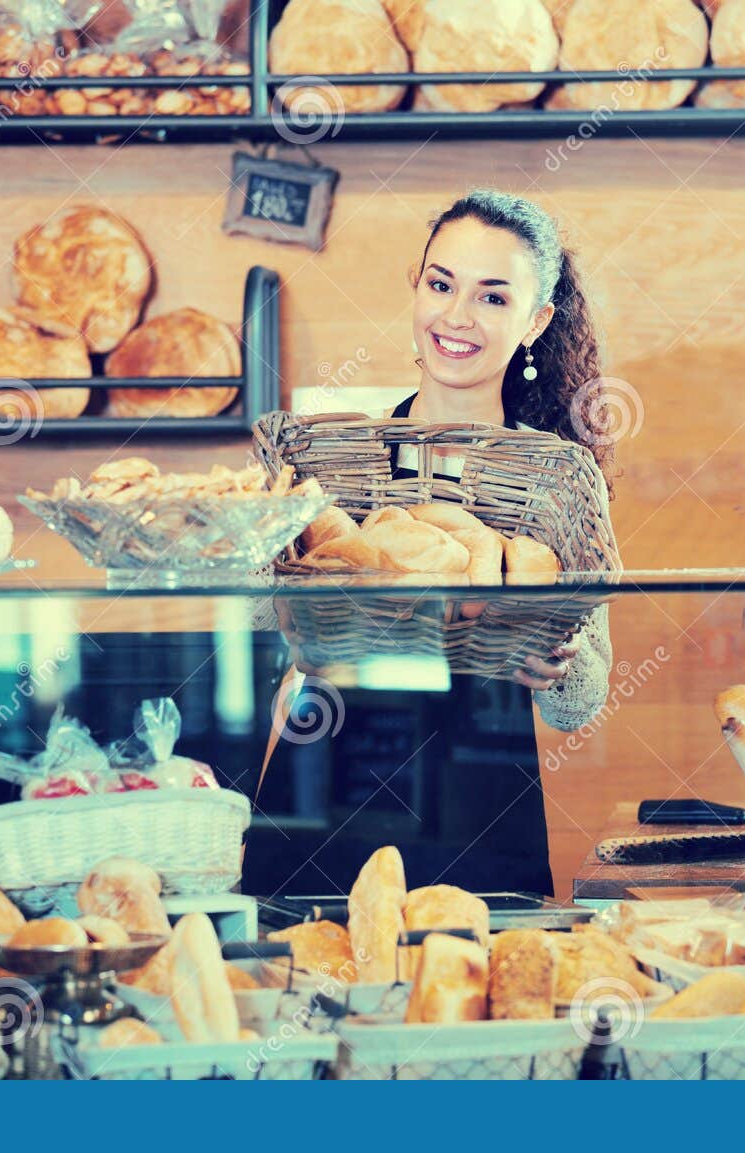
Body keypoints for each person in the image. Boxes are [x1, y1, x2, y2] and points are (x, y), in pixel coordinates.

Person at [246, 189, 619, 899]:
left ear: (536, 321)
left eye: (492, 298)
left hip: (480, 797)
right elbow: (257, 635)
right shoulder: (331, 462)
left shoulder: (557, 482)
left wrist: (560, 664)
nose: (456, 317)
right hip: (324, 781)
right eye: (441, 285)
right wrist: (269, 585)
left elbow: (584, 702)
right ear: (415, 289)